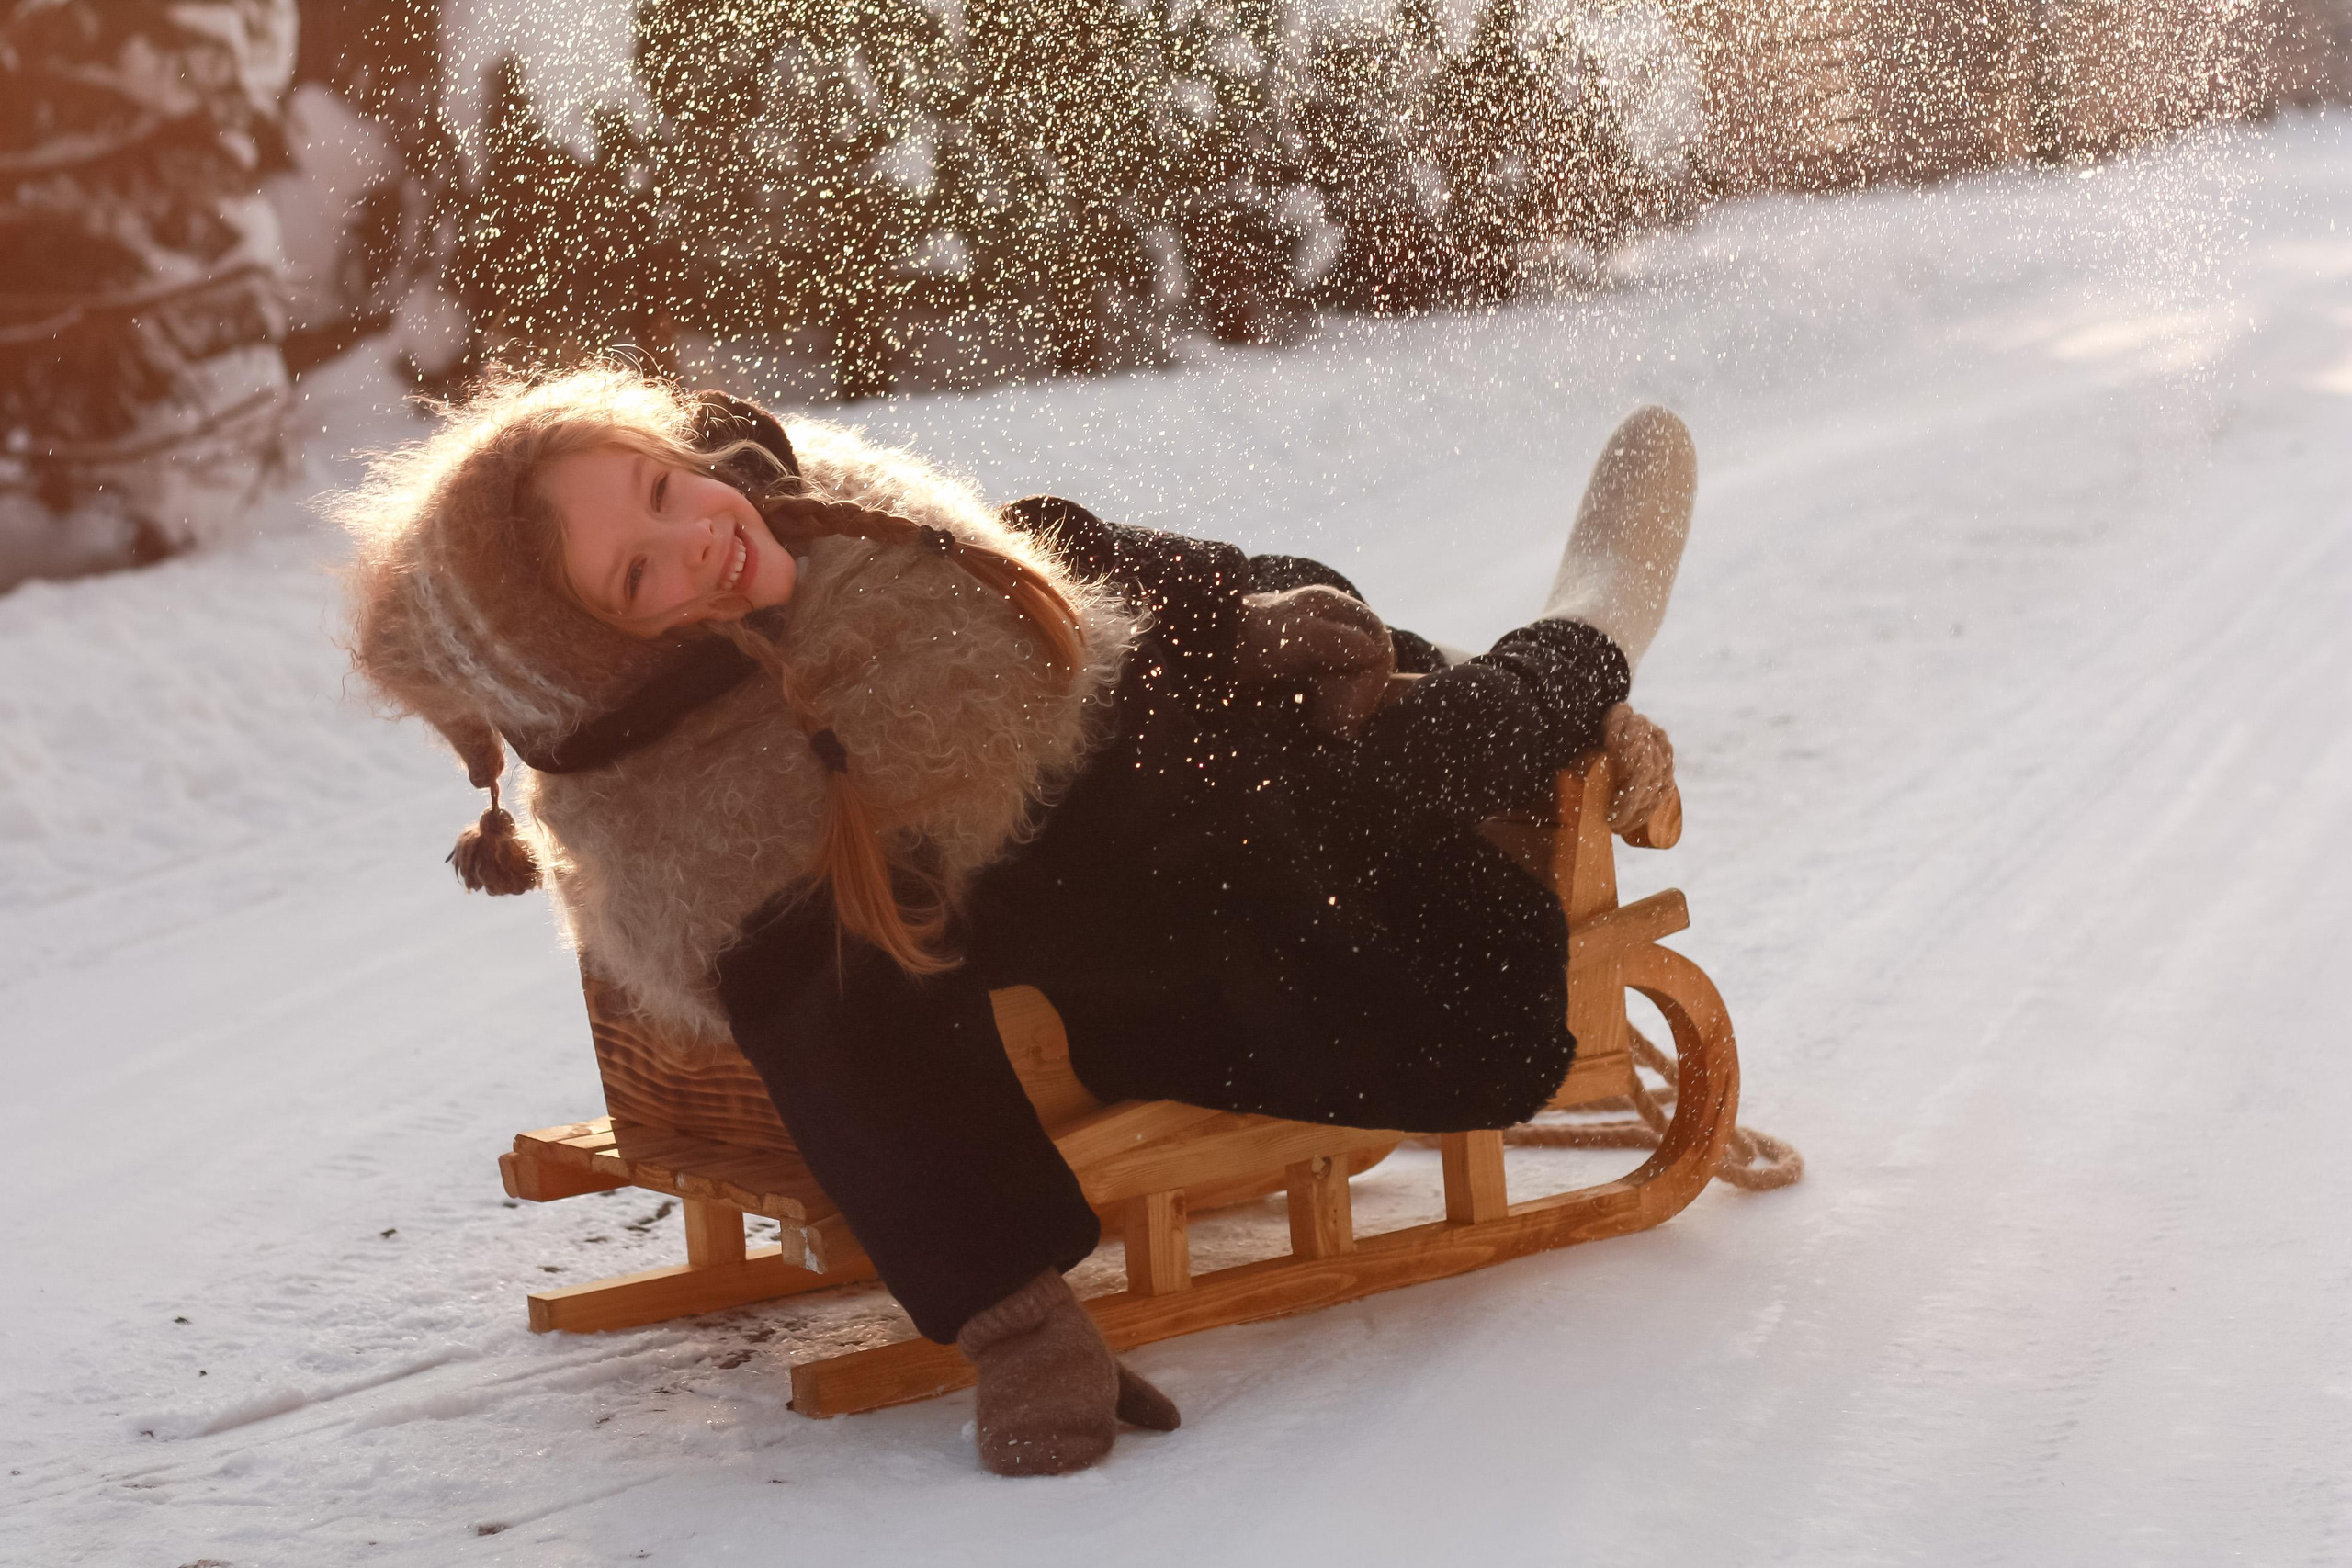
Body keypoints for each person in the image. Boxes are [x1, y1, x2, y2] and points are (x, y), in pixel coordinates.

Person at [336, 365, 1694, 1476]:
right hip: (1201, 924)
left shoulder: (808, 513)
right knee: (1392, 809)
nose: (695, 529)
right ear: (602, 661)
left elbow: (1059, 588)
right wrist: (1019, 1327)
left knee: (1182, 586)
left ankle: (1493, 685)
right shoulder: (734, 825)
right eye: (636, 577)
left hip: (1182, 754)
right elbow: (863, 1055)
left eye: (657, 483)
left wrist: (1235, 626)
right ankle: (1577, 653)